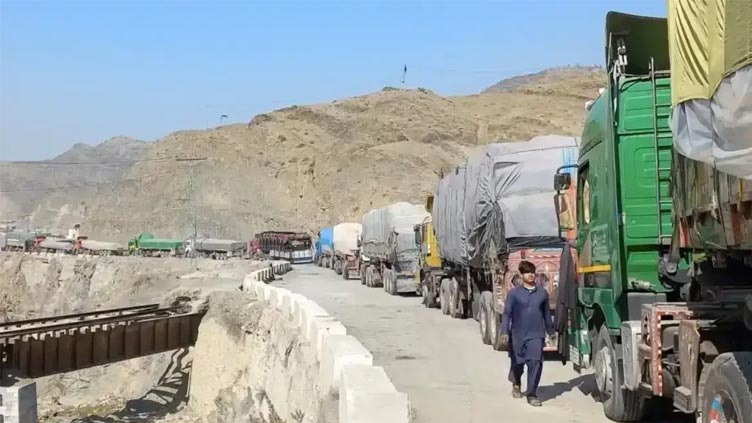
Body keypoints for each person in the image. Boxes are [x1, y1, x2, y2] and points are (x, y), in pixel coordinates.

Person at [501, 260, 554, 407]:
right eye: (527, 272)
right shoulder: (514, 294)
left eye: (532, 272)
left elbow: (547, 314)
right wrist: (504, 331)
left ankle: (532, 394)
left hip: (536, 334)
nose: (530, 275)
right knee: (518, 363)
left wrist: (551, 331)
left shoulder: (542, 294)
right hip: (518, 334)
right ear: (521, 274)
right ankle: (516, 382)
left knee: (535, 363)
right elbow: (507, 313)